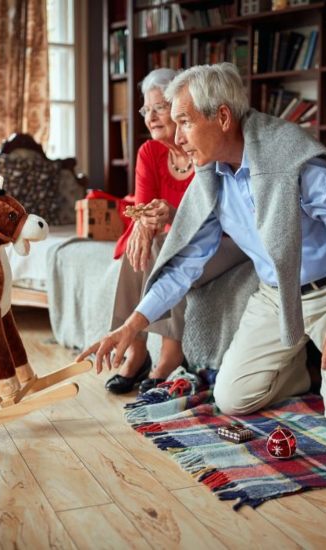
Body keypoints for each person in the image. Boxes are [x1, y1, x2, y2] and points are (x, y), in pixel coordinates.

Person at [80, 63, 326, 433]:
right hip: (275, 296)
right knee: (232, 399)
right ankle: (297, 373)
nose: (177, 137)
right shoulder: (211, 174)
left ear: (222, 116)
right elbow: (186, 262)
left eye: (185, 122)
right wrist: (132, 325)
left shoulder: (296, 161)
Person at [106, 68, 247, 394]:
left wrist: (169, 218)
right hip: (177, 237)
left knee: (166, 242)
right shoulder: (150, 152)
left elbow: (213, 218)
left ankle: (170, 352)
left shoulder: (205, 147)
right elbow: (142, 211)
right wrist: (142, 226)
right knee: (141, 242)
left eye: (159, 108)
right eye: (146, 110)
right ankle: (135, 348)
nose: (151, 117)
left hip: (224, 241)